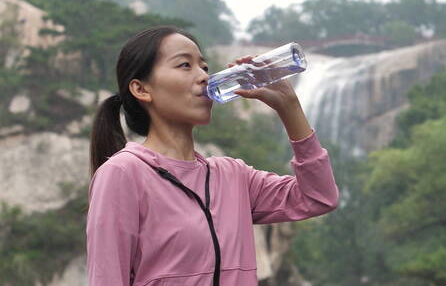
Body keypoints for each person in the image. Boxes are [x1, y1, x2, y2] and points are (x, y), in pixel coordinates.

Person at [86, 25, 339, 286]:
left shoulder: (233, 176)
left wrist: (290, 108)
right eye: (185, 65)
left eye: (204, 67)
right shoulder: (124, 173)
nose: (204, 76)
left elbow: (319, 197)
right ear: (141, 89)